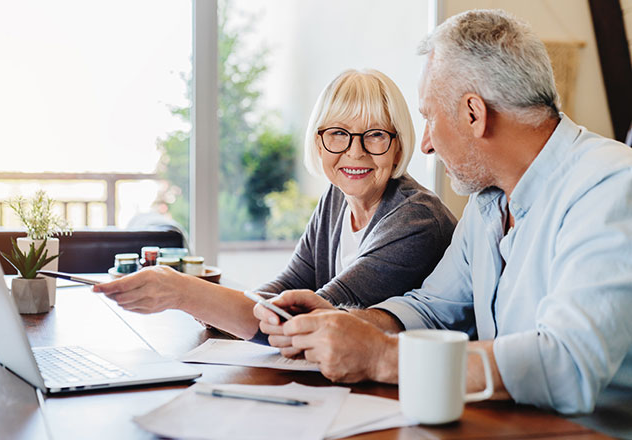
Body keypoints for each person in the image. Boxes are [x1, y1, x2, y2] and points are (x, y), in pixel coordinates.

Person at [254, 9, 632, 414]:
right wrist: (346, 321)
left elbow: (568, 365)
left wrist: (383, 357)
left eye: (429, 118)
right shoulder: (488, 203)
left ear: (474, 114)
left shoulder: (610, 187)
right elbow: (434, 308)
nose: (426, 144)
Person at [93, 69, 456, 341]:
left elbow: (307, 320)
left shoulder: (415, 219)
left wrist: (186, 292)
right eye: (338, 134)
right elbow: (288, 285)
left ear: (398, 145)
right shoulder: (336, 198)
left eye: (375, 134)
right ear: (318, 142)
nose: (355, 152)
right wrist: (220, 308)